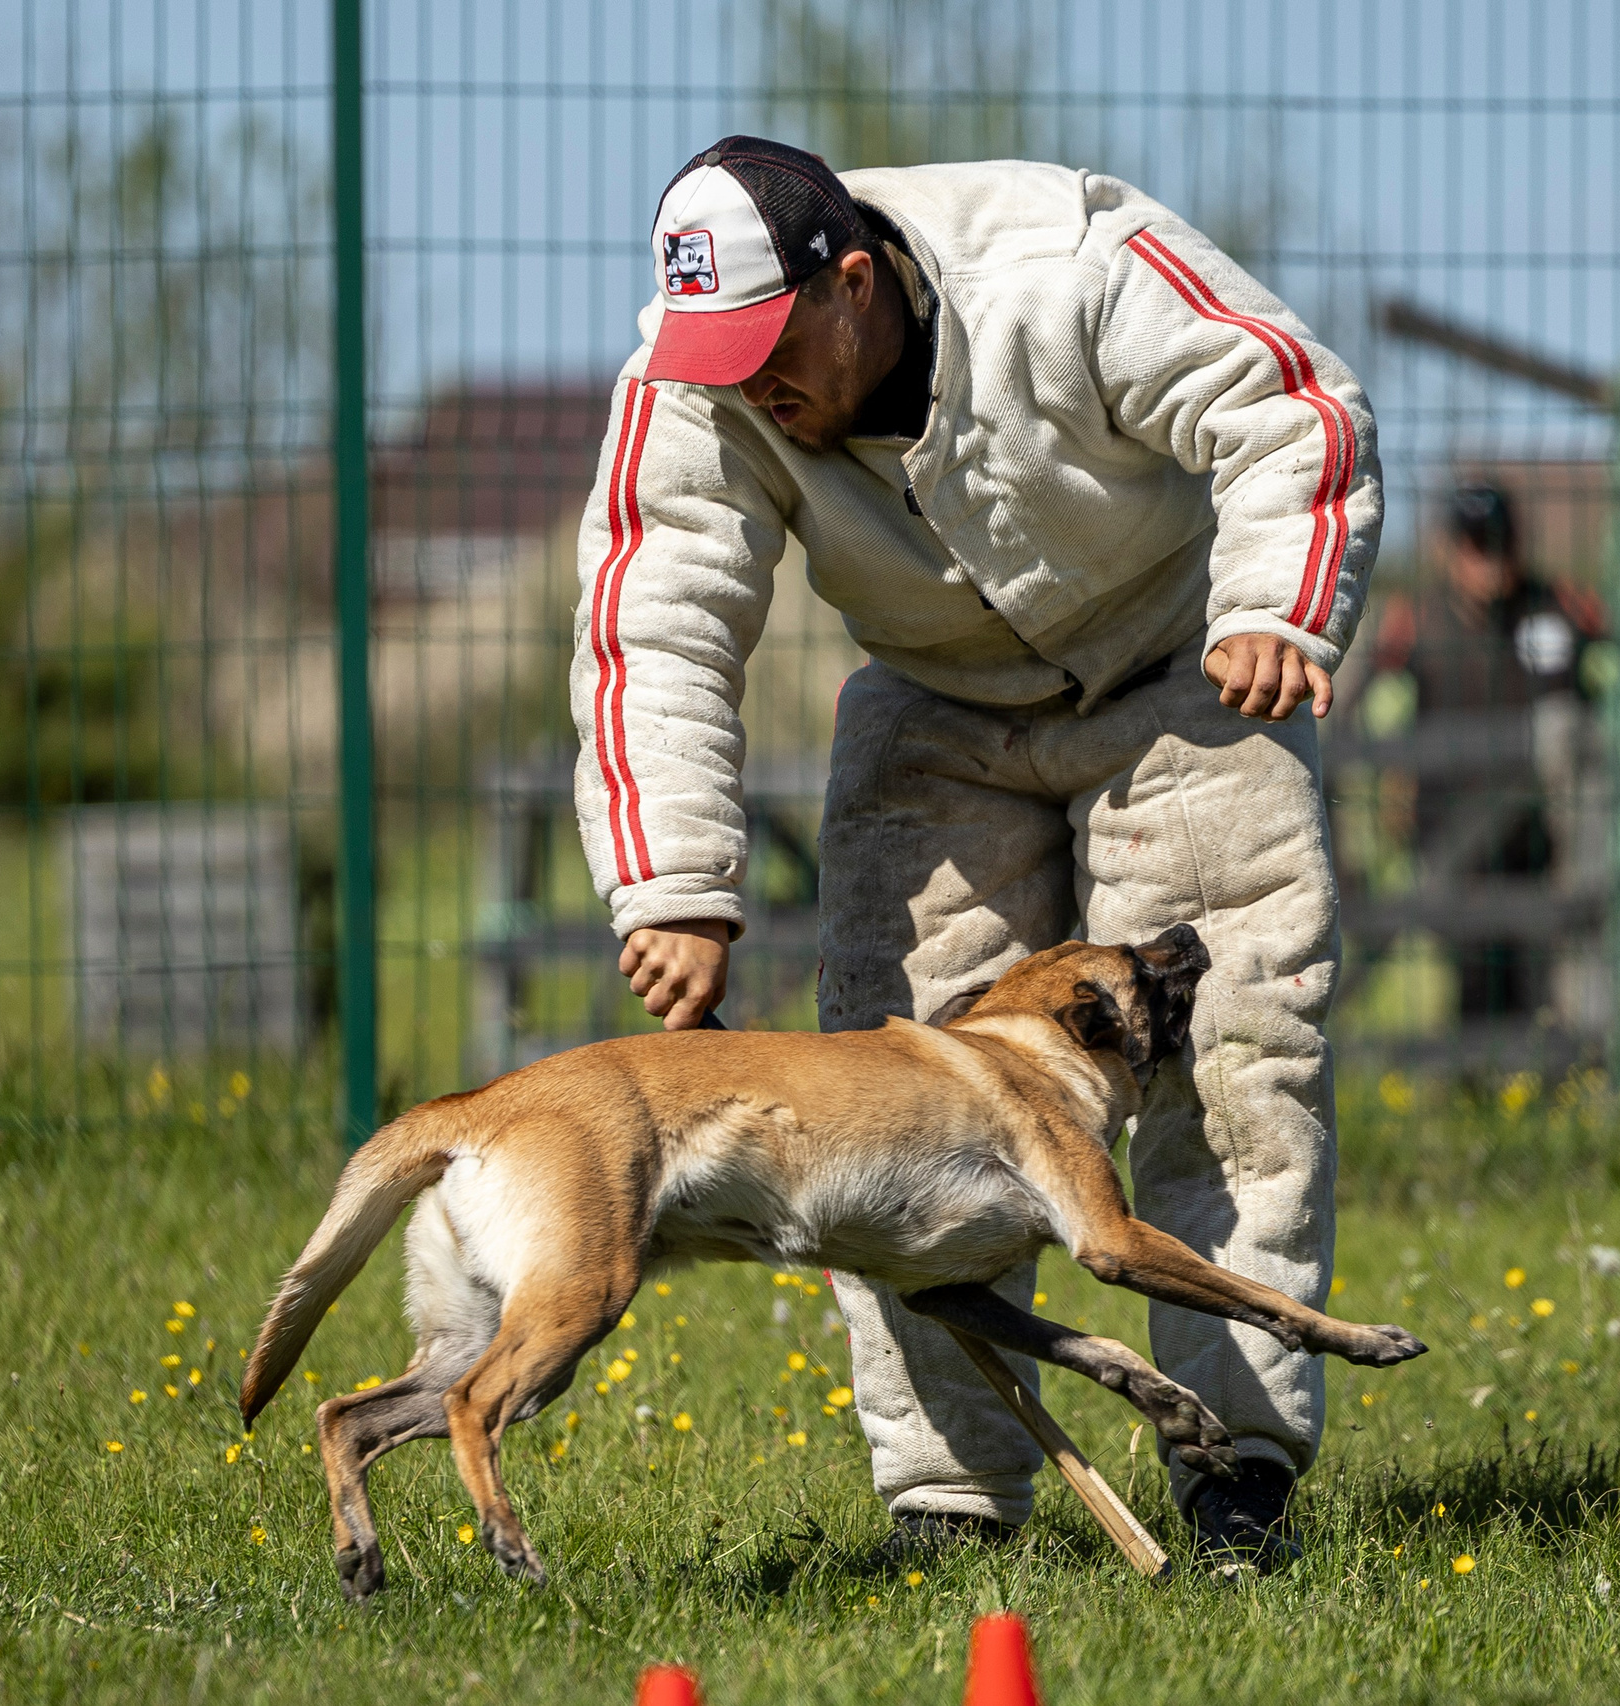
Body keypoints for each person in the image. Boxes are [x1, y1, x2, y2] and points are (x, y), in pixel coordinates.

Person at [567, 136, 1382, 1566]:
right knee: (879, 1095)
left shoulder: (1061, 267)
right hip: (932, 701)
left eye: (772, 345)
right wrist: (678, 879)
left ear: (857, 282)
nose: (751, 382)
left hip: (1182, 663)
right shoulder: (691, 382)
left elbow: (1289, 395)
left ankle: (1235, 1470)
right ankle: (952, 1499)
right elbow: (654, 611)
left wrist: (1272, 598)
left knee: (1237, 1050)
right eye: (719, 353)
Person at [1368, 482, 1607, 1021]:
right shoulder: (1416, 622)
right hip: (1450, 841)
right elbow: (1369, 722)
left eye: (1498, 543)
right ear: (1451, 549)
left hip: (1544, 842)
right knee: (1474, 981)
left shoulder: (1561, 607)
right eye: (1476, 544)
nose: (1489, 562)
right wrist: (1391, 789)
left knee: (1544, 979)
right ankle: (1472, 1083)